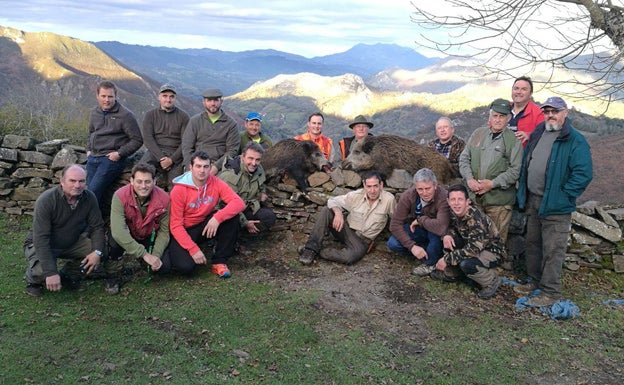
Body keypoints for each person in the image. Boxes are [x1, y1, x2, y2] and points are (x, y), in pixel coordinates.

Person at [515, 96, 592, 306]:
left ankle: (550, 293)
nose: (550, 115)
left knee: (553, 249)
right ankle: (534, 281)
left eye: (555, 111)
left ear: (565, 113)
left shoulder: (574, 139)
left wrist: (563, 195)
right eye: (547, 111)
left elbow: (583, 174)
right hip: (534, 199)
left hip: (555, 205)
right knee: (533, 244)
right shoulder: (540, 131)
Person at [23, 165, 105, 297]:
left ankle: (67, 274)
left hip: (71, 241)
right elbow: (41, 238)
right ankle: (33, 281)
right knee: (42, 271)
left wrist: (97, 252)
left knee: (100, 251)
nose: (77, 185)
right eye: (72, 181)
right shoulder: (46, 200)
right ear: (62, 181)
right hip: (44, 243)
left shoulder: (89, 198)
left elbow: (97, 227)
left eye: (81, 181)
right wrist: (50, 272)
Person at [168, 151, 245, 277]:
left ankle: (219, 261)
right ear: (191, 168)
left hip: (204, 224)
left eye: (205, 166)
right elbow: (175, 225)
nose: (202, 171)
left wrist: (217, 218)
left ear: (210, 168)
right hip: (184, 229)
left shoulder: (215, 182)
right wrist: (193, 250)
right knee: (186, 268)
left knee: (232, 217)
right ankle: (181, 250)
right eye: (198, 166)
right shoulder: (179, 190)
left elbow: (239, 203)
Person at [459, 98, 522, 247]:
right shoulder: (478, 134)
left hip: (498, 202)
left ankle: (495, 268)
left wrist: (492, 184)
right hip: (475, 198)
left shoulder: (513, 141)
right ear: (490, 116)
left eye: (502, 116)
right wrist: (469, 179)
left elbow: (515, 171)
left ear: (508, 118)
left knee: (496, 241)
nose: (498, 120)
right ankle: (473, 267)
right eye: (495, 116)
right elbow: (464, 158)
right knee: (473, 237)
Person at [299, 170, 396, 265]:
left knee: (350, 257)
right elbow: (332, 201)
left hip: (362, 241)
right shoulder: (356, 195)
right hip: (345, 230)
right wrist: (338, 213)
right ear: (364, 185)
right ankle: (310, 249)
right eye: (369, 186)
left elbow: (396, 219)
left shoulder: (389, 200)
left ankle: (319, 252)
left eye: (375, 186)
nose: (372, 190)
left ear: (381, 185)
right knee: (326, 210)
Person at [104, 163, 171, 295]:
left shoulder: (165, 199)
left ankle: (145, 265)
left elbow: (164, 232)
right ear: (131, 181)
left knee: (164, 268)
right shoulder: (120, 196)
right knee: (114, 241)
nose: (143, 186)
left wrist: (155, 256)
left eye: (147, 181)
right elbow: (118, 231)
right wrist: (144, 254)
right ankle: (112, 275)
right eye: (139, 181)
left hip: (148, 235)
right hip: (126, 234)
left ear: (154, 181)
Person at [432, 184, 504, 299]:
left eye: (460, 199)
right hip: (470, 244)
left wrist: (446, 259)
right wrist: (447, 235)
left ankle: (492, 281)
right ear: (448, 201)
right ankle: (454, 274)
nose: (456, 203)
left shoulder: (476, 219)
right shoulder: (454, 212)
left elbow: (473, 250)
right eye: (453, 200)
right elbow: (451, 227)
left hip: (492, 251)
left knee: (467, 264)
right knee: (451, 242)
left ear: (467, 201)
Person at [86, 80, 143, 210]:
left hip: (110, 160)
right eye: (103, 96)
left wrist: (119, 154)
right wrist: (88, 149)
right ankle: (97, 223)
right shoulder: (95, 113)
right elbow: (91, 133)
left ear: (115, 96)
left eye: (110, 96)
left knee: (92, 193)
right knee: (87, 192)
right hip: (93, 157)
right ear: (97, 96)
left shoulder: (125, 115)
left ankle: (87, 227)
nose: (107, 100)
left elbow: (137, 140)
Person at [387, 168, 450, 276]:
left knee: (437, 237)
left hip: (435, 230)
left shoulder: (443, 196)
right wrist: (412, 246)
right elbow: (395, 224)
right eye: (420, 189)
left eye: (428, 188)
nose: (424, 193)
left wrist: (421, 220)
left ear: (435, 185)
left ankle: (429, 264)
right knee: (393, 244)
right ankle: (422, 251)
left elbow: (441, 226)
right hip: (417, 229)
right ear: (415, 187)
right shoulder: (408, 196)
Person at [219, 142, 276, 236]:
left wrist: (262, 193)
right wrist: (245, 222)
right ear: (243, 156)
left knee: (269, 217)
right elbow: (227, 203)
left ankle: (247, 239)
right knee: (233, 222)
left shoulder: (259, 169)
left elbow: (261, 185)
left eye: (257, 160)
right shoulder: (230, 175)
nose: (254, 163)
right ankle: (233, 241)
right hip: (229, 210)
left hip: (248, 206)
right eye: (250, 158)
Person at [140, 84, 190, 190]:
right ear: (159, 97)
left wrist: (171, 160)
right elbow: (148, 139)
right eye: (165, 96)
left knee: (176, 186)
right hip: (155, 152)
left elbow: (186, 142)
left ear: (175, 98)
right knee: (141, 173)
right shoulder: (150, 115)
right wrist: (161, 158)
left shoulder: (183, 116)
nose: (168, 99)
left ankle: (172, 206)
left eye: (171, 96)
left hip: (175, 154)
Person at [181, 88, 240, 175]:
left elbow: (232, 151)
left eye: (216, 100)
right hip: (197, 163)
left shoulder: (231, 124)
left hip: (220, 166)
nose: (213, 103)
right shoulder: (195, 121)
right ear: (203, 102)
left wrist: (216, 167)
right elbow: (187, 147)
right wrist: (191, 166)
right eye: (209, 100)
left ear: (221, 101)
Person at [509, 76, 544, 146]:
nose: (519, 92)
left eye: (523, 89)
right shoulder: (503, 109)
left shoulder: (539, 114)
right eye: (516, 88)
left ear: (530, 94)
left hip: (524, 155)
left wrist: (529, 135)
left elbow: (545, 135)